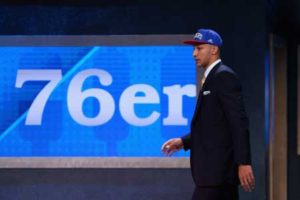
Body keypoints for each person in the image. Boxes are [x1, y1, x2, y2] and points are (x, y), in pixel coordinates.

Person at [161, 29, 255, 200]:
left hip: (218, 174)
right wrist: (183, 141)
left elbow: (238, 122)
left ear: (214, 49)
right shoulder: (211, 77)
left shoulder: (223, 76)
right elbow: (212, 125)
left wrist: (243, 162)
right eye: (194, 49)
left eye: (199, 48)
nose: (194, 54)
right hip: (212, 176)